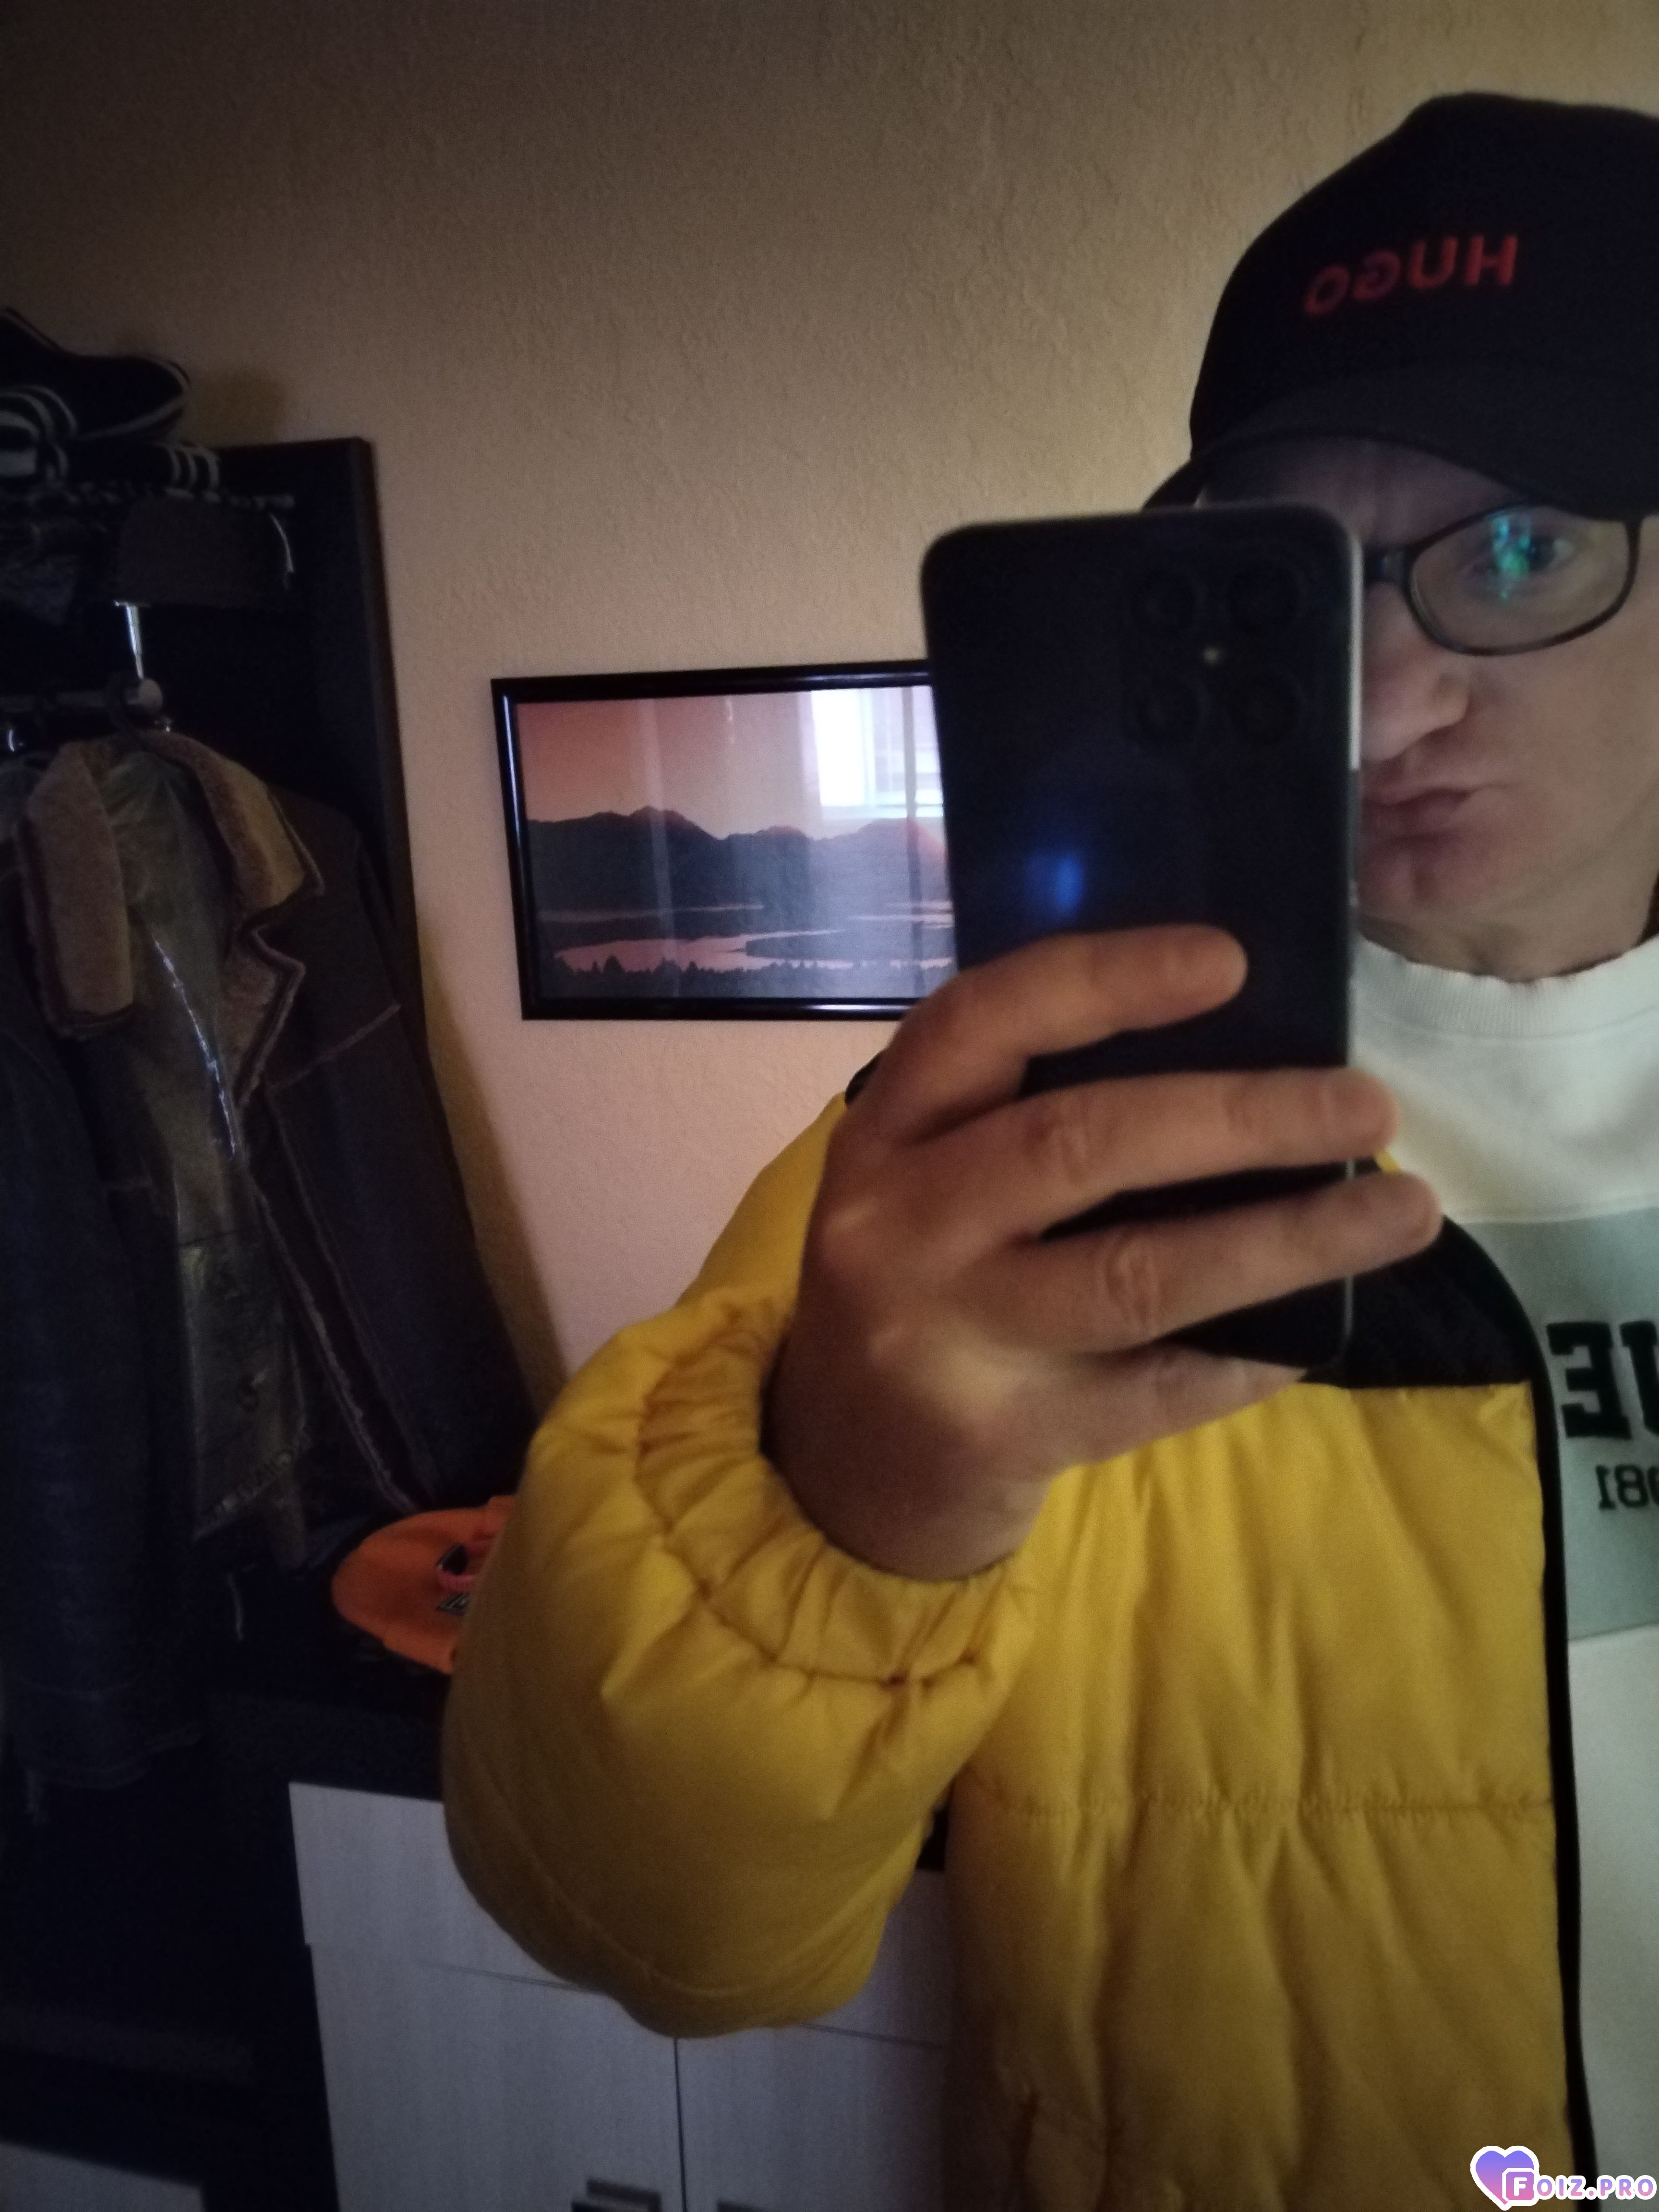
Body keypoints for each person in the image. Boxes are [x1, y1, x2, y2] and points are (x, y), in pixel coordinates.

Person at [442, 91, 1659, 2205]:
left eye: (1520, 550)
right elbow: (641, 1923)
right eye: (1298, 584)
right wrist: (843, 1515)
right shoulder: (994, 1165)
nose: (1387, 701)